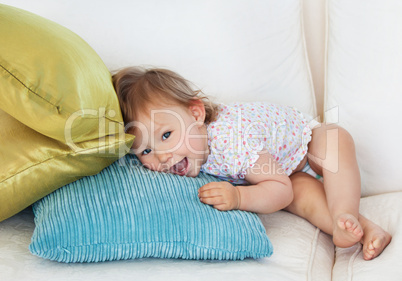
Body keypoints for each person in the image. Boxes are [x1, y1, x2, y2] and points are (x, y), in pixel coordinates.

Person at [112, 66, 391, 260]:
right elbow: (287, 190)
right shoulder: (191, 156)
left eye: (166, 134)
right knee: (304, 201)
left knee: (334, 140)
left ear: (196, 113)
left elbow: (279, 190)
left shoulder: (230, 139)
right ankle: (356, 228)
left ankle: (345, 209)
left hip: (306, 145)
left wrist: (238, 196)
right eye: (145, 150)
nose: (162, 156)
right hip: (288, 174)